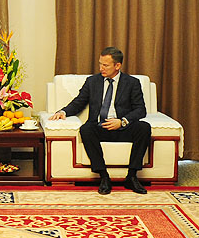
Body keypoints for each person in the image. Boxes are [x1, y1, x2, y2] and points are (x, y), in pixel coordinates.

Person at [49, 46, 151, 195]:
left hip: (122, 127)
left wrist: (122, 121)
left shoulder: (132, 83)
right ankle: (104, 176)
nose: (101, 68)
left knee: (144, 127)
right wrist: (62, 112)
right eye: (100, 64)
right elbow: (79, 102)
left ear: (117, 66)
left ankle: (132, 176)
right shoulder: (92, 82)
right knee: (86, 129)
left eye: (105, 65)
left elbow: (140, 109)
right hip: (100, 127)